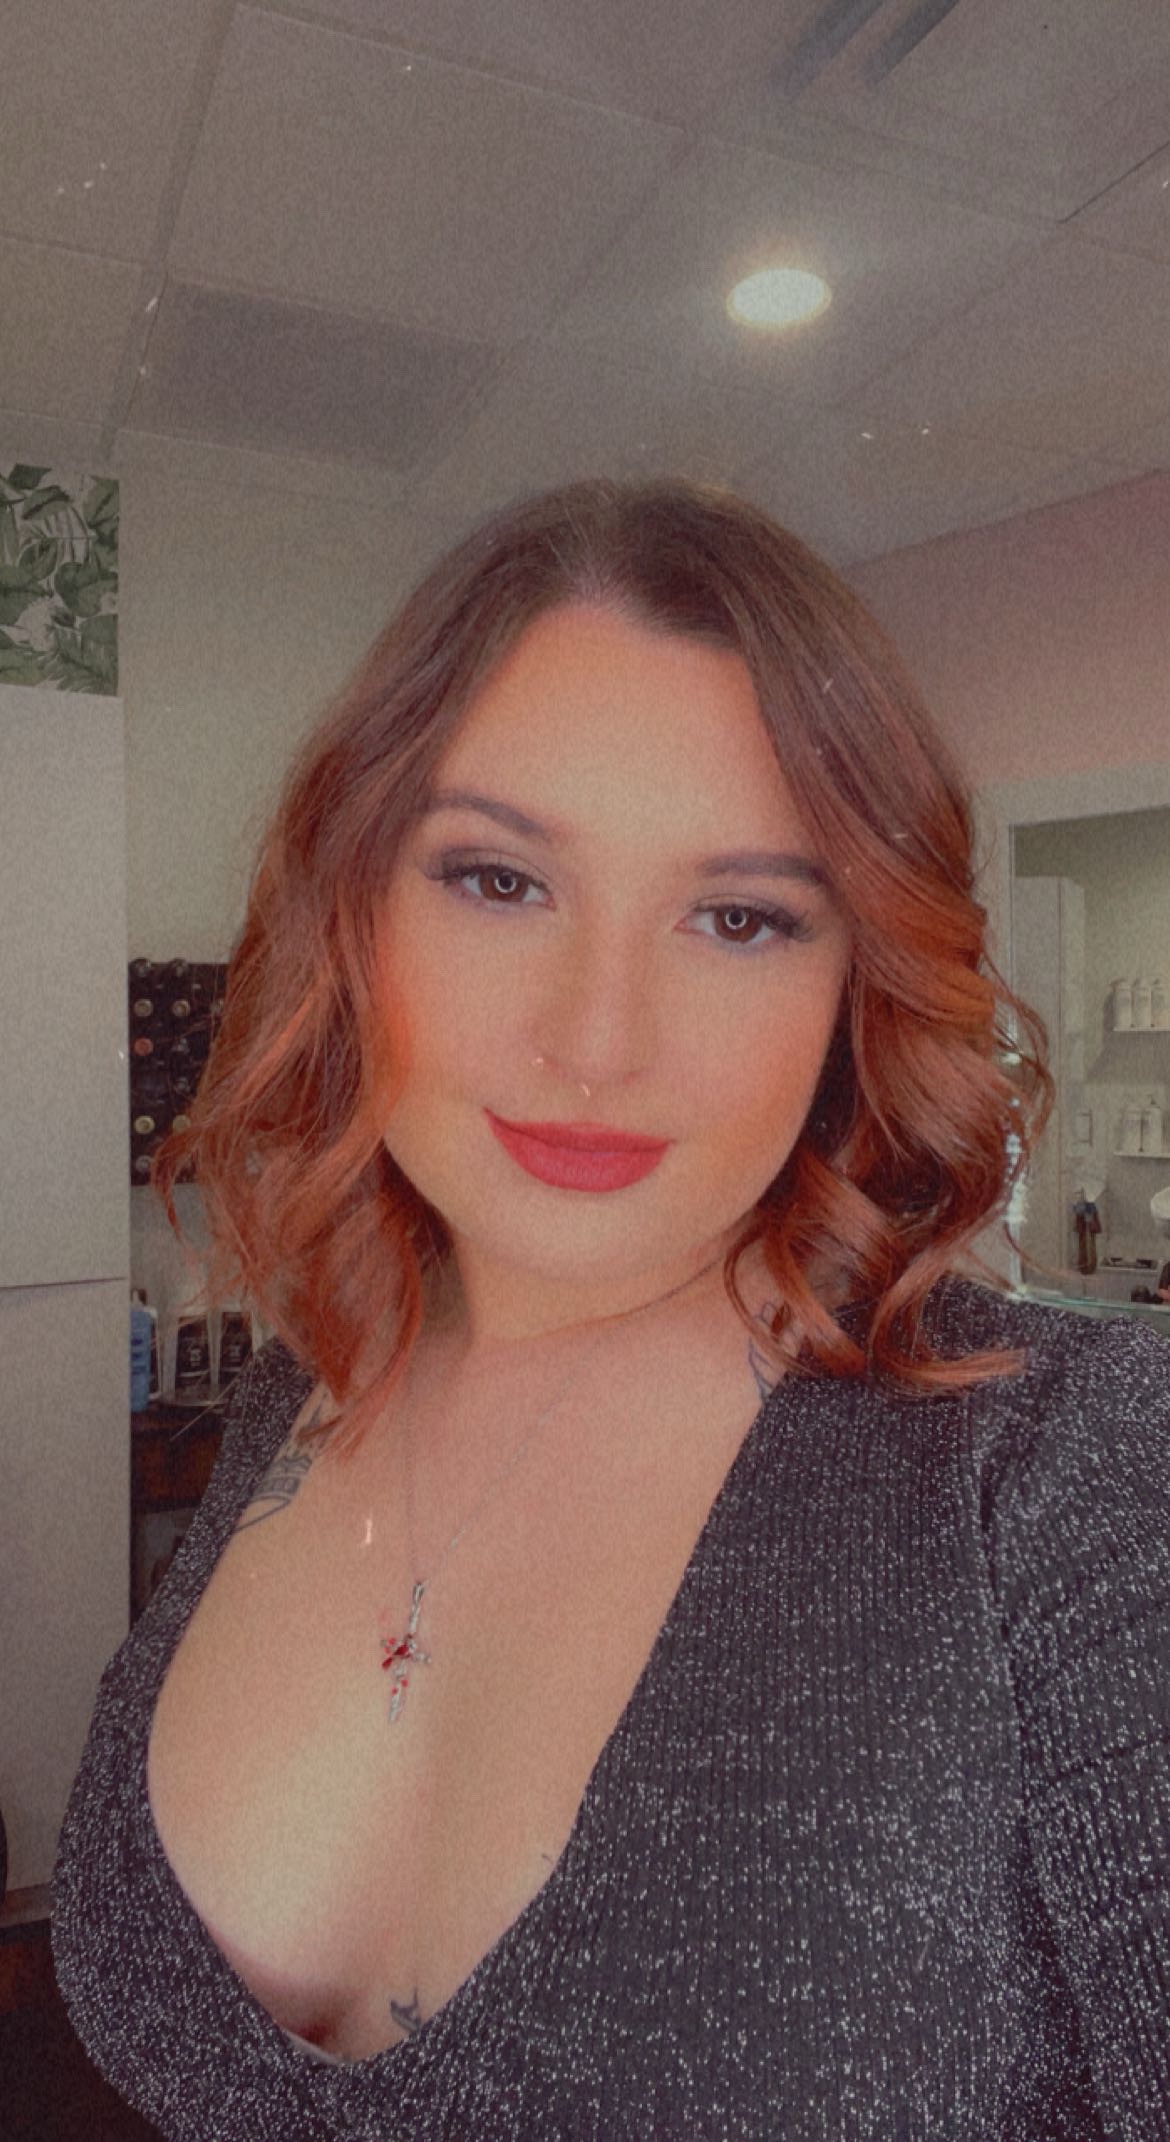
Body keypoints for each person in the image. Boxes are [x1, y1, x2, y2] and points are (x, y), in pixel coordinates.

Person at [52, 477, 1170, 2139]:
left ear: (851, 979)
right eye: (499, 880)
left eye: (738, 916)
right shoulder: (305, 1384)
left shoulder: (1072, 1477)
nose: (596, 1039)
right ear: (354, 905)